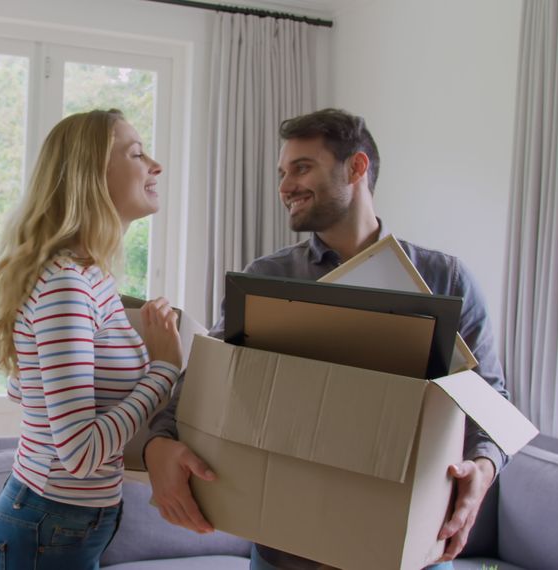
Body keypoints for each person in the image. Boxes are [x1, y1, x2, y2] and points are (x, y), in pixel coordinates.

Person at [142, 108, 511, 570]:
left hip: (408, 550)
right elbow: (206, 383)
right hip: (287, 554)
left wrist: (485, 465)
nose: (284, 187)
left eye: (302, 168)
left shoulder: (445, 278)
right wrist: (158, 443)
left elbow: (491, 401)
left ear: (356, 168)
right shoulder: (268, 278)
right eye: (282, 173)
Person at [0, 109, 184, 569]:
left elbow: (24, 389)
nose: (156, 164)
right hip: (45, 529)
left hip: (60, 527)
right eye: (137, 153)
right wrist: (164, 370)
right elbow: (80, 455)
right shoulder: (66, 284)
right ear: (93, 175)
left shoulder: (90, 276)